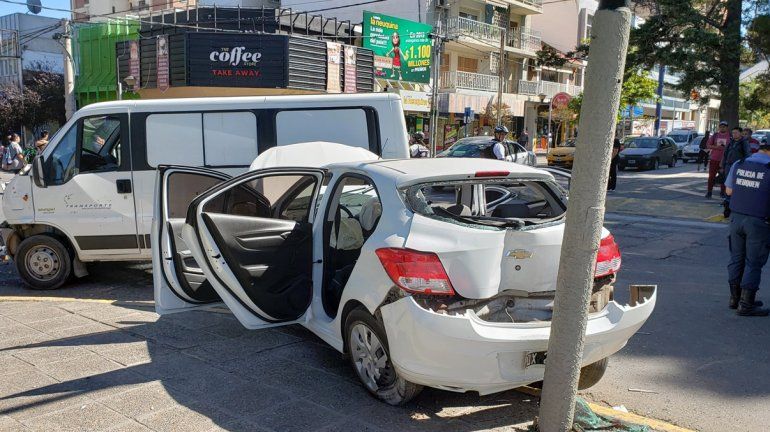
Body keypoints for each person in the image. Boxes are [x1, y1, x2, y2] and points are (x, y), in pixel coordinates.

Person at [723, 142, 770, 316]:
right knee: (753, 262)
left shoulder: (740, 163)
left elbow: (729, 191)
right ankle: (746, 304)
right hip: (759, 220)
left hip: (736, 217)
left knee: (737, 258)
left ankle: (735, 299)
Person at [705, 121, 731, 199]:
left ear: (727, 127)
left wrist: (726, 148)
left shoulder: (730, 136)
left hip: (725, 160)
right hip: (714, 159)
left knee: (724, 176)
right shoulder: (715, 135)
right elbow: (708, 145)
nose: (722, 128)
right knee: (711, 176)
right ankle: (709, 192)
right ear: (719, 127)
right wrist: (717, 147)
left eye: (724, 126)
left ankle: (723, 192)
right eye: (721, 126)